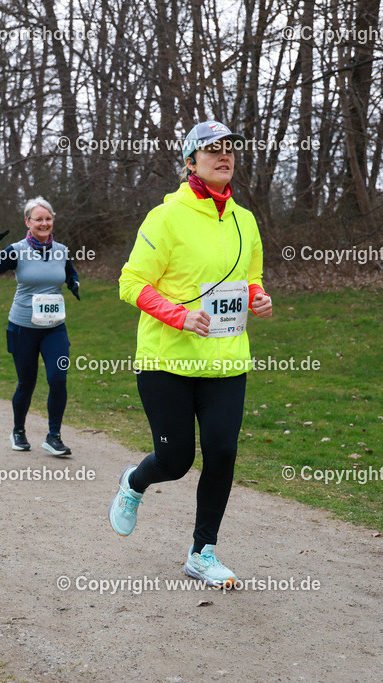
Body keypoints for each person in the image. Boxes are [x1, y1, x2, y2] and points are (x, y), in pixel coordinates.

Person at [109, 120, 273, 588]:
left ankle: (202, 552)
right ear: (190, 161)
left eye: (230, 150)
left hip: (226, 361)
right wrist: (179, 316)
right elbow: (131, 283)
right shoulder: (166, 217)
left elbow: (251, 277)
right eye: (212, 150)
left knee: (222, 452)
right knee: (176, 460)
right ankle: (134, 484)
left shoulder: (245, 219)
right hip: (168, 362)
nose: (224, 156)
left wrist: (258, 298)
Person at [0, 198, 80, 456]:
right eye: (38, 219)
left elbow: (69, 272)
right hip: (23, 327)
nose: (44, 223)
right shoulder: (17, 250)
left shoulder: (61, 250)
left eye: (48, 219)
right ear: (28, 222)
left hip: (55, 328)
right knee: (27, 382)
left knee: (58, 378)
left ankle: (54, 436)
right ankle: (18, 431)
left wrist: (74, 283)